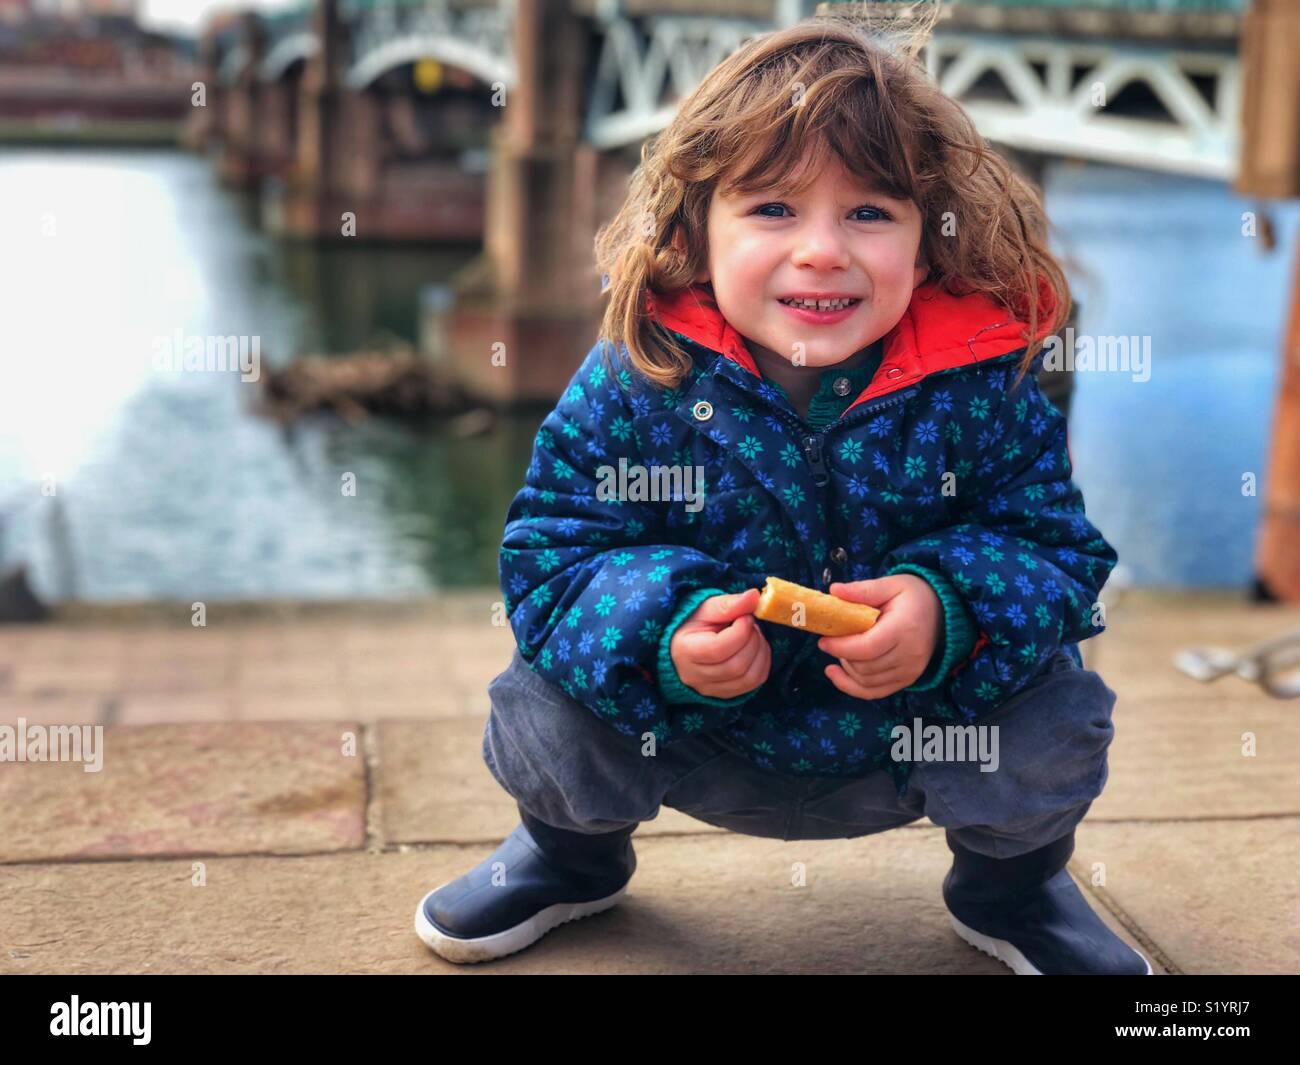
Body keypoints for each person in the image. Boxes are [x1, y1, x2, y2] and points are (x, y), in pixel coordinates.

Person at [415, 13, 1150, 975]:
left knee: (1056, 702)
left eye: (869, 214)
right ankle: (569, 853)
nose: (821, 251)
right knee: (545, 692)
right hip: (693, 730)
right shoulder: (639, 378)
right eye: (772, 210)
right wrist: (665, 629)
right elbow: (550, 556)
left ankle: (1012, 885)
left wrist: (947, 610)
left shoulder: (984, 384)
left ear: (926, 245)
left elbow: (1057, 553)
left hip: (910, 733)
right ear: (693, 231)